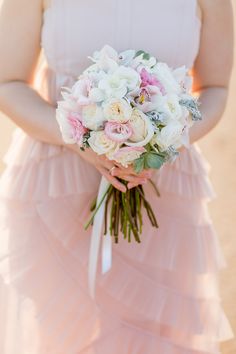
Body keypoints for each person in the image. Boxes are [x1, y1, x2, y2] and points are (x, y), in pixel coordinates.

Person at [0, 0, 234, 352]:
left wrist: (159, 142)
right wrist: (78, 137)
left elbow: (215, 88)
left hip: (164, 184)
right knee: (60, 333)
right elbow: (8, 82)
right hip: (56, 184)